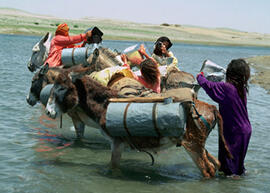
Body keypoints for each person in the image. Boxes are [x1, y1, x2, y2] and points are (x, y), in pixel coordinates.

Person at [196, 59, 252, 177]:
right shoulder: (241, 88)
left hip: (234, 131)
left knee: (229, 171)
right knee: (238, 166)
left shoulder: (227, 88)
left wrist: (200, 76)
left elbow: (208, 85)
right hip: (245, 130)